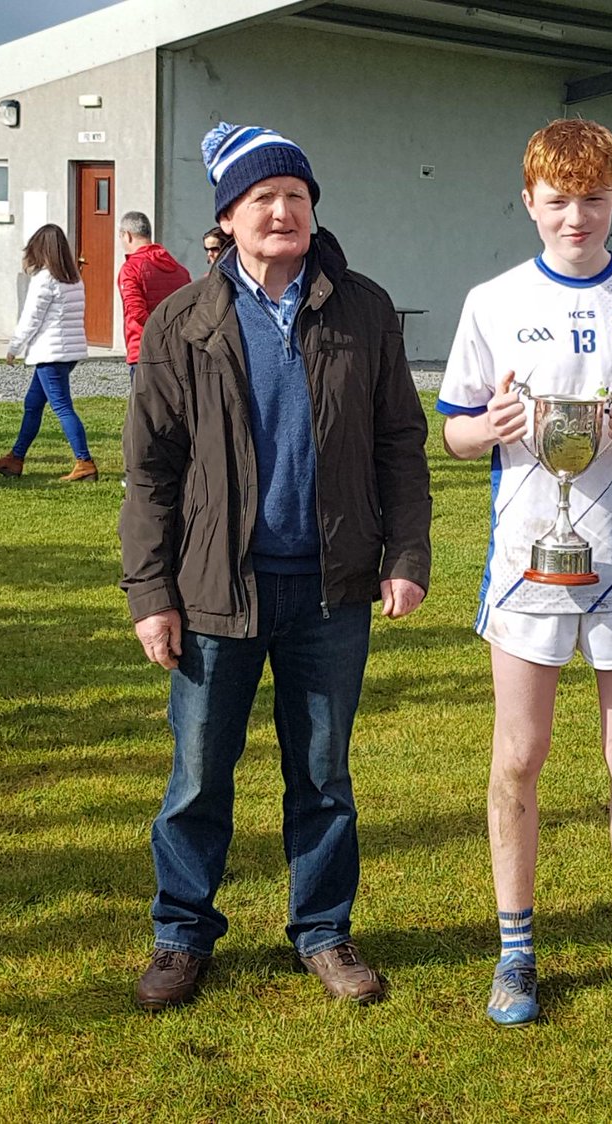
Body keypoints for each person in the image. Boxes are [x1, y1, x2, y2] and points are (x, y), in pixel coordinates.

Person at [121, 121, 431, 1012]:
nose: (284, 211)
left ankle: (325, 932)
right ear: (229, 216)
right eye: (264, 199)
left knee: (325, 777)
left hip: (332, 589)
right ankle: (181, 935)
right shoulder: (185, 321)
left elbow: (400, 446)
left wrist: (404, 554)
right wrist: (152, 594)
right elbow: (150, 472)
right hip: (216, 589)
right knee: (197, 778)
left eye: (297, 196)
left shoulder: (362, 309)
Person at [437, 118, 612, 1027]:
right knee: (520, 756)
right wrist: (496, 426)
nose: (575, 217)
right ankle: (516, 957)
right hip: (528, 564)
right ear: (530, 201)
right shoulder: (492, 298)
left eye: (592, 199)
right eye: (558, 201)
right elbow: (455, 428)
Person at [0, 224, 96, 483]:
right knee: (33, 405)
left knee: (61, 406)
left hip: (50, 353)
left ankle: (85, 462)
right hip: (67, 352)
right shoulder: (73, 278)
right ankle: (15, 458)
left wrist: (14, 347)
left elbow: (31, 319)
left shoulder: (44, 280)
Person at [117, 211, 191, 379]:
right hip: (175, 347)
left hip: (144, 348)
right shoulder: (179, 269)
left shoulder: (130, 269)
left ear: (127, 235)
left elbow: (136, 311)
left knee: (145, 403)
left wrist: (157, 332)